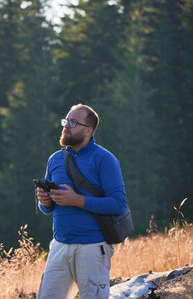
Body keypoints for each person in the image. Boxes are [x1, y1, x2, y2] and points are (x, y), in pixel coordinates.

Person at [36, 104, 127, 299]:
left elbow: (118, 205)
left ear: (88, 130)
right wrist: (45, 202)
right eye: (66, 121)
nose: (66, 126)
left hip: (93, 248)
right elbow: (47, 209)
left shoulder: (105, 159)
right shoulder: (55, 159)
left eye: (73, 122)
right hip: (59, 245)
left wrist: (78, 201)